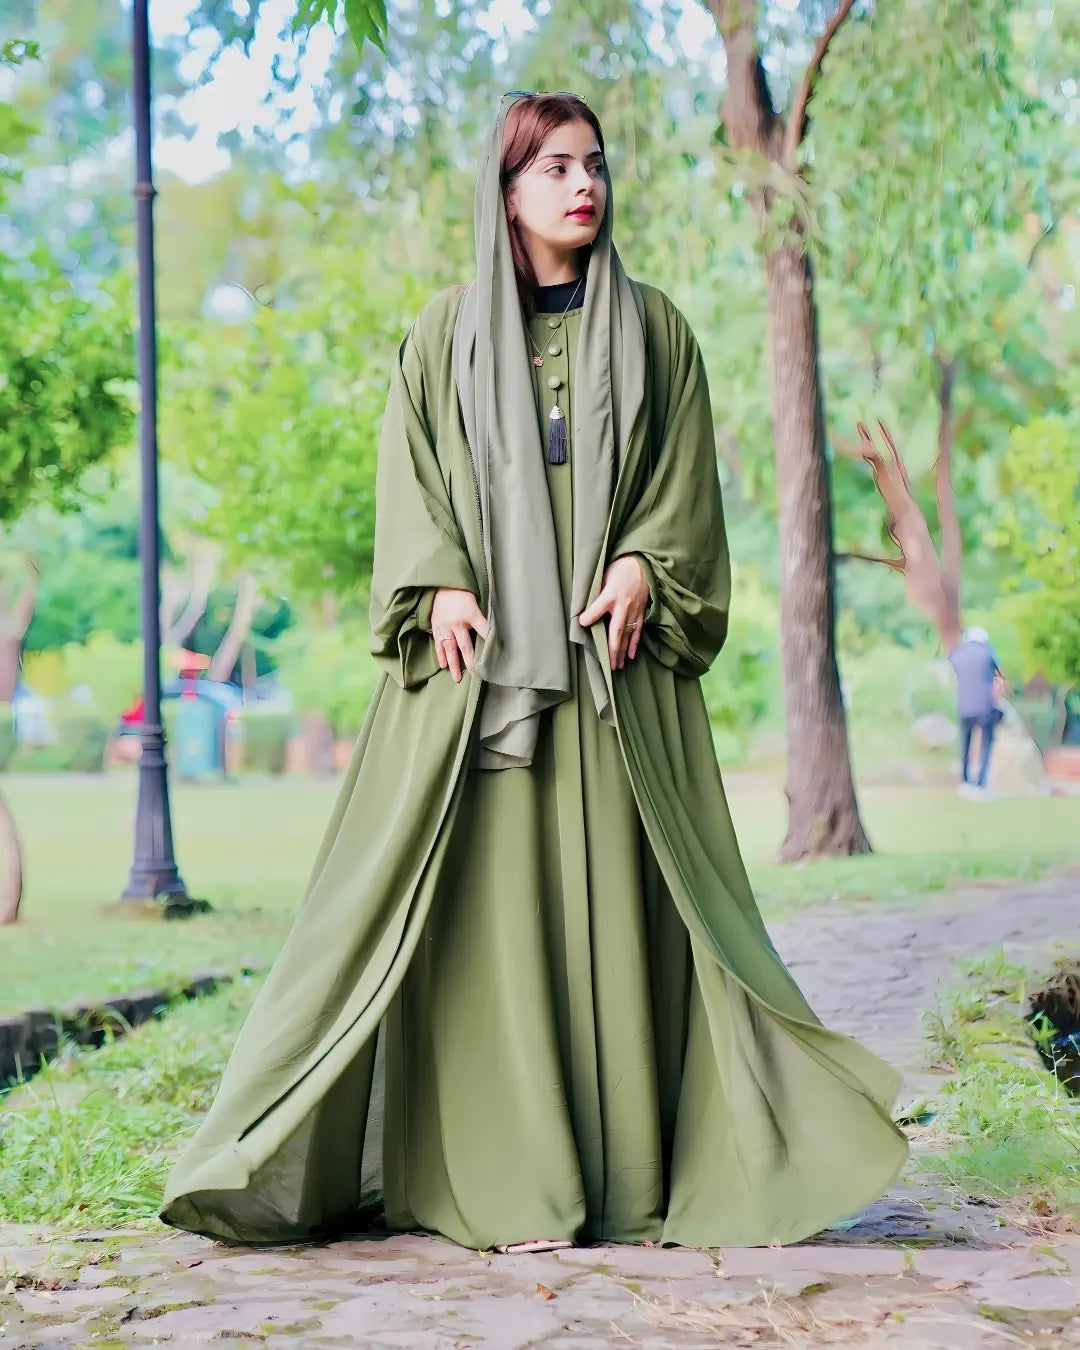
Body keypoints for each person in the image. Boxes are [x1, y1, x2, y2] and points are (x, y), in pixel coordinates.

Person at [161, 92, 906, 1253]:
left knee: (642, 910)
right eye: (554, 166)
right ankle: (500, 1179)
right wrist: (442, 578)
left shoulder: (658, 331)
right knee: (474, 924)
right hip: (480, 685)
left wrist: (648, 566)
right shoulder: (441, 334)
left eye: (594, 165)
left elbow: (682, 490)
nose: (582, 185)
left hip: (616, 683)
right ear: (505, 191)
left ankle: (637, 1172)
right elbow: (409, 477)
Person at [948, 626, 1004, 799]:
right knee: (986, 745)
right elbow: (999, 674)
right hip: (984, 706)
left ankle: (964, 781)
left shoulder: (956, 653)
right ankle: (980, 784)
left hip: (963, 707)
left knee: (965, 744)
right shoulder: (987, 652)